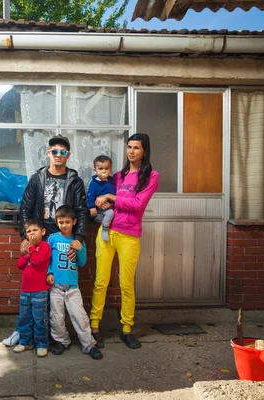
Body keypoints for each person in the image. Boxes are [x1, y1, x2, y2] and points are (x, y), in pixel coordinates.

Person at [2, 135, 88, 347]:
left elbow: (82, 212)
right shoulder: (37, 178)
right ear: (48, 153)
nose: (58, 155)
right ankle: (24, 332)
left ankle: (52, 337)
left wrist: (79, 238)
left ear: (68, 155)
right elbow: (25, 208)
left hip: (62, 237)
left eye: (63, 152)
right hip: (40, 237)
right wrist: (25, 237)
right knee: (35, 288)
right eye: (55, 151)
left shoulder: (74, 181)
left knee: (57, 289)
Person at [90, 133, 160, 350]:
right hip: (106, 233)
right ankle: (94, 327)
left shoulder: (151, 176)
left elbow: (137, 205)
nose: (131, 151)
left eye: (136, 147)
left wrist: (111, 198)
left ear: (144, 151)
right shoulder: (117, 176)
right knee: (101, 281)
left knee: (126, 284)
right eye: (129, 147)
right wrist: (100, 202)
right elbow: (100, 196)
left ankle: (127, 329)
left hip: (129, 235)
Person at [46, 205, 103, 360]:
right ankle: (61, 341)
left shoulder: (78, 241)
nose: (64, 225)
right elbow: (46, 259)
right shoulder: (52, 239)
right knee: (56, 316)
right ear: (56, 222)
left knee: (80, 316)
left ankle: (89, 344)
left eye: (67, 222)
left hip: (72, 287)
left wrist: (80, 249)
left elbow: (83, 262)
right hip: (56, 286)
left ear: (74, 222)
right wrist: (49, 272)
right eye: (61, 222)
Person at [13, 218, 52, 357]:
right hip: (26, 290)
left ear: (43, 231)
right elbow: (20, 264)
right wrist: (26, 255)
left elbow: (37, 261)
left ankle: (41, 344)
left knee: (40, 319)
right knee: (25, 318)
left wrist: (30, 250)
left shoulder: (44, 246)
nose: (31, 234)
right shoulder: (28, 248)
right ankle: (25, 342)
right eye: (28, 231)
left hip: (40, 291)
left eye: (34, 230)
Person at [87, 155, 116, 242]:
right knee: (110, 213)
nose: (104, 171)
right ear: (95, 170)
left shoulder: (112, 181)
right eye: (100, 169)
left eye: (106, 168)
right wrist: (92, 207)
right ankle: (105, 229)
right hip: (99, 207)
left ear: (110, 169)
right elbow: (90, 196)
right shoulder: (94, 183)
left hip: (111, 204)